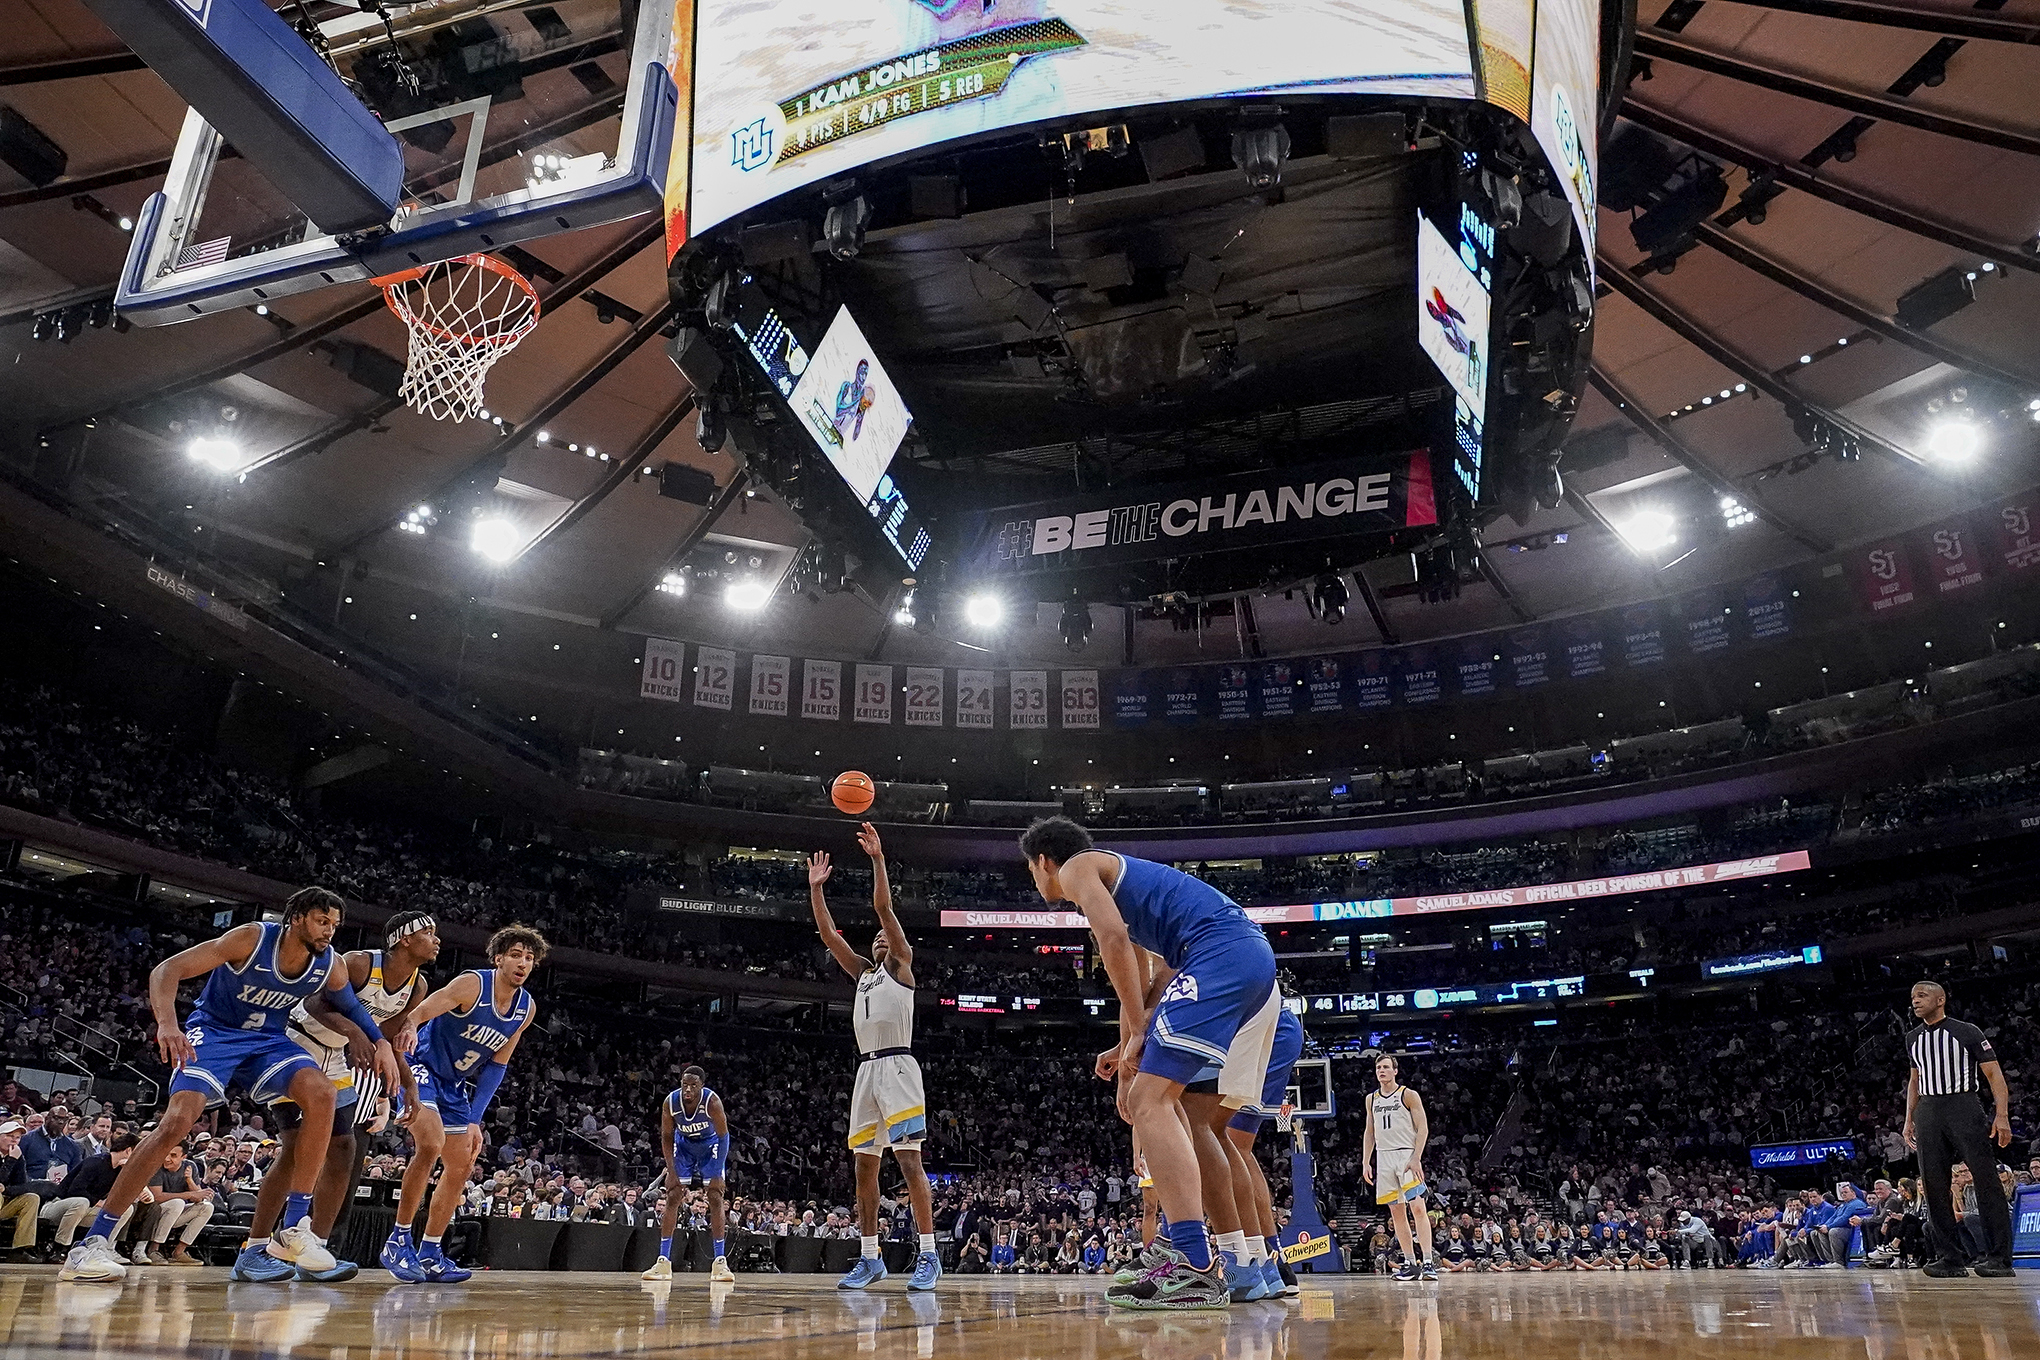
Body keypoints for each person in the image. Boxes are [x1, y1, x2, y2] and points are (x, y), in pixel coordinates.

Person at [59, 888, 401, 1283]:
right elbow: (166, 971)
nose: (329, 931)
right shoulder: (251, 939)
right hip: (216, 1033)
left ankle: (293, 1228)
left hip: (269, 1042)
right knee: (177, 1123)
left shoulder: (330, 964)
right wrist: (168, 1025)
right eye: (322, 921)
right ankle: (92, 1245)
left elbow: (353, 1007)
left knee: (322, 1092)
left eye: (335, 925)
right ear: (297, 918)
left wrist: (380, 1043)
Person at [1019, 816, 1281, 1310]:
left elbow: (1113, 942)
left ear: (1042, 861)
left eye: (1031, 871)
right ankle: (1203, 1254)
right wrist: (1130, 1044)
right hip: (1240, 960)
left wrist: (1141, 1030)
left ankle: (1195, 1264)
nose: (1036, 881)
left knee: (1151, 1100)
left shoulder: (1076, 868)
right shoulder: (1125, 881)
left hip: (1221, 957)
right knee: (1166, 1102)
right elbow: (1147, 977)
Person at [238, 910, 436, 1281]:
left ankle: (317, 1249)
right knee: (295, 1150)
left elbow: (388, 1038)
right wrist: (357, 1034)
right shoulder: (360, 963)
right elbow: (315, 1004)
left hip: (336, 1057)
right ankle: (253, 1249)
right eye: (427, 931)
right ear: (403, 939)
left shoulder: (417, 986)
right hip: (296, 1043)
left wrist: (409, 1083)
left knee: (344, 1149)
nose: (436, 939)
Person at [809, 823, 940, 1292]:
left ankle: (929, 1255)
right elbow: (828, 935)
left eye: (886, 937)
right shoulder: (863, 975)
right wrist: (815, 890)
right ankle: (870, 1258)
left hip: (900, 1068)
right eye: (877, 939)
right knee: (865, 1168)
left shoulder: (902, 967)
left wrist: (878, 860)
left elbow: (883, 908)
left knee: (909, 1164)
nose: (881, 939)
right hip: (867, 1071)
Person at [378, 924, 545, 1283]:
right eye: (515, 955)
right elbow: (421, 1012)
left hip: (454, 1085)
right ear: (499, 958)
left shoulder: (525, 1008)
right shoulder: (472, 984)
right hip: (420, 1067)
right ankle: (398, 1239)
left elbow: (496, 1067)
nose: (523, 963)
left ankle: (431, 1251)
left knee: (462, 1163)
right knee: (431, 1143)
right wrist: (408, 1029)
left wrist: (474, 1120)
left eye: (529, 958)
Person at [1903, 980, 2015, 1277]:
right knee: (1934, 1185)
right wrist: (1908, 1120)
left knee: (1986, 1179)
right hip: (1928, 1109)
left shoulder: (1967, 1031)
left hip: (1963, 1105)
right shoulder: (1912, 1037)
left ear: (1940, 1000)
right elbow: (1914, 1081)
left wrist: (2001, 1115)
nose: (1915, 1001)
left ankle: (1999, 1258)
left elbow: (1994, 1075)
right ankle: (1949, 1257)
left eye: (1922, 996)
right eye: (1913, 997)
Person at [1217, 1002, 1306, 1299]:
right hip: (1272, 1025)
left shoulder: (1167, 961)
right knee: (1236, 1145)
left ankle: (1245, 1262)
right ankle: (1272, 1262)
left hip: (1255, 1027)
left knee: (1219, 1140)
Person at [642, 1065, 735, 1283]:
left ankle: (720, 1262)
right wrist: (671, 1170)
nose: (688, 1090)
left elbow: (724, 1137)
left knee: (714, 1196)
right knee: (673, 1195)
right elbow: (666, 1136)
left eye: (693, 1085)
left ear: (702, 1086)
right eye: (685, 1085)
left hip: (710, 1145)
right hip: (683, 1146)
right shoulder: (670, 1103)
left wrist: (718, 1171)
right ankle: (663, 1262)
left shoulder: (712, 1102)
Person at [1362, 1053, 1437, 1281]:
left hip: (1406, 1156)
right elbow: (1370, 1131)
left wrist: (1416, 1157)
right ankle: (1410, 1263)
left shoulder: (1408, 1095)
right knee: (1396, 1213)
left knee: (1418, 1208)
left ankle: (1428, 1262)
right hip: (1384, 1159)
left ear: (1395, 1071)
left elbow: (1423, 1128)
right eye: (1378, 1068)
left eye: (1386, 1067)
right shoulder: (1371, 1099)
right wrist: (1366, 1161)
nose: (1381, 1071)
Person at [134, 1141, 213, 1266]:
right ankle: (153, 1249)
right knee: (177, 1203)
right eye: (166, 1154)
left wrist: (189, 1180)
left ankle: (179, 1252)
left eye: (173, 1155)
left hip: (174, 1214)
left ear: (184, 1157)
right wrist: (187, 1195)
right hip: (154, 1213)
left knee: (207, 1207)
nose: (167, 1158)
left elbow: (198, 1197)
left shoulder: (190, 1166)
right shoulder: (157, 1167)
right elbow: (157, 1197)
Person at [0, 1120, 41, 1264]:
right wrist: (10, 1160)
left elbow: (24, 1186)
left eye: (17, 1137)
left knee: (31, 1198)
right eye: (10, 1136)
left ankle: (19, 1249)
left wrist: (7, 1189)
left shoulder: (18, 1156)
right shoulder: (13, 1157)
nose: (14, 1140)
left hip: (5, 1203)